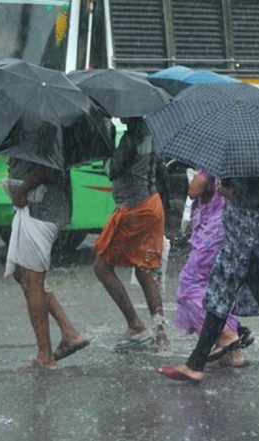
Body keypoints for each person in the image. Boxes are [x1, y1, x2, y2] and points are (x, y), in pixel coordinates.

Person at [158, 173, 259, 388]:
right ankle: (195, 365)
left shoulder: (251, 164)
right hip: (241, 241)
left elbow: (247, 196)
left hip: (247, 243)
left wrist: (225, 191)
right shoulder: (258, 161)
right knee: (220, 300)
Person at [4, 157, 89, 369]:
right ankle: (69, 333)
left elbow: (45, 170)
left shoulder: (44, 129)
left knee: (33, 281)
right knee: (21, 274)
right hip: (33, 210)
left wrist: (22, 191)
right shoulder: (35, 128)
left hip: (41, 211)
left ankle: (46, 356)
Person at [93, 117, 168, 350]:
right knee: (145, 269)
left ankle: (136, 326)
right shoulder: (152, 133)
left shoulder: (130, 138)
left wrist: (107, 147)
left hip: (133, 209)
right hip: (152, 204)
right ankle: (160, 332)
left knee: (101, 267)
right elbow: (160, 170)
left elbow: (112, 170)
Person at [174, 170, 253, 367]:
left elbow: (193, 190)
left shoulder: (214, 164)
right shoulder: (236, 161)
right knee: (215, 289)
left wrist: (200, 175)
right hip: (227, 228)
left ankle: (228, 334)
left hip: (214, 233)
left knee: (189, 287)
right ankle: (233, 355)